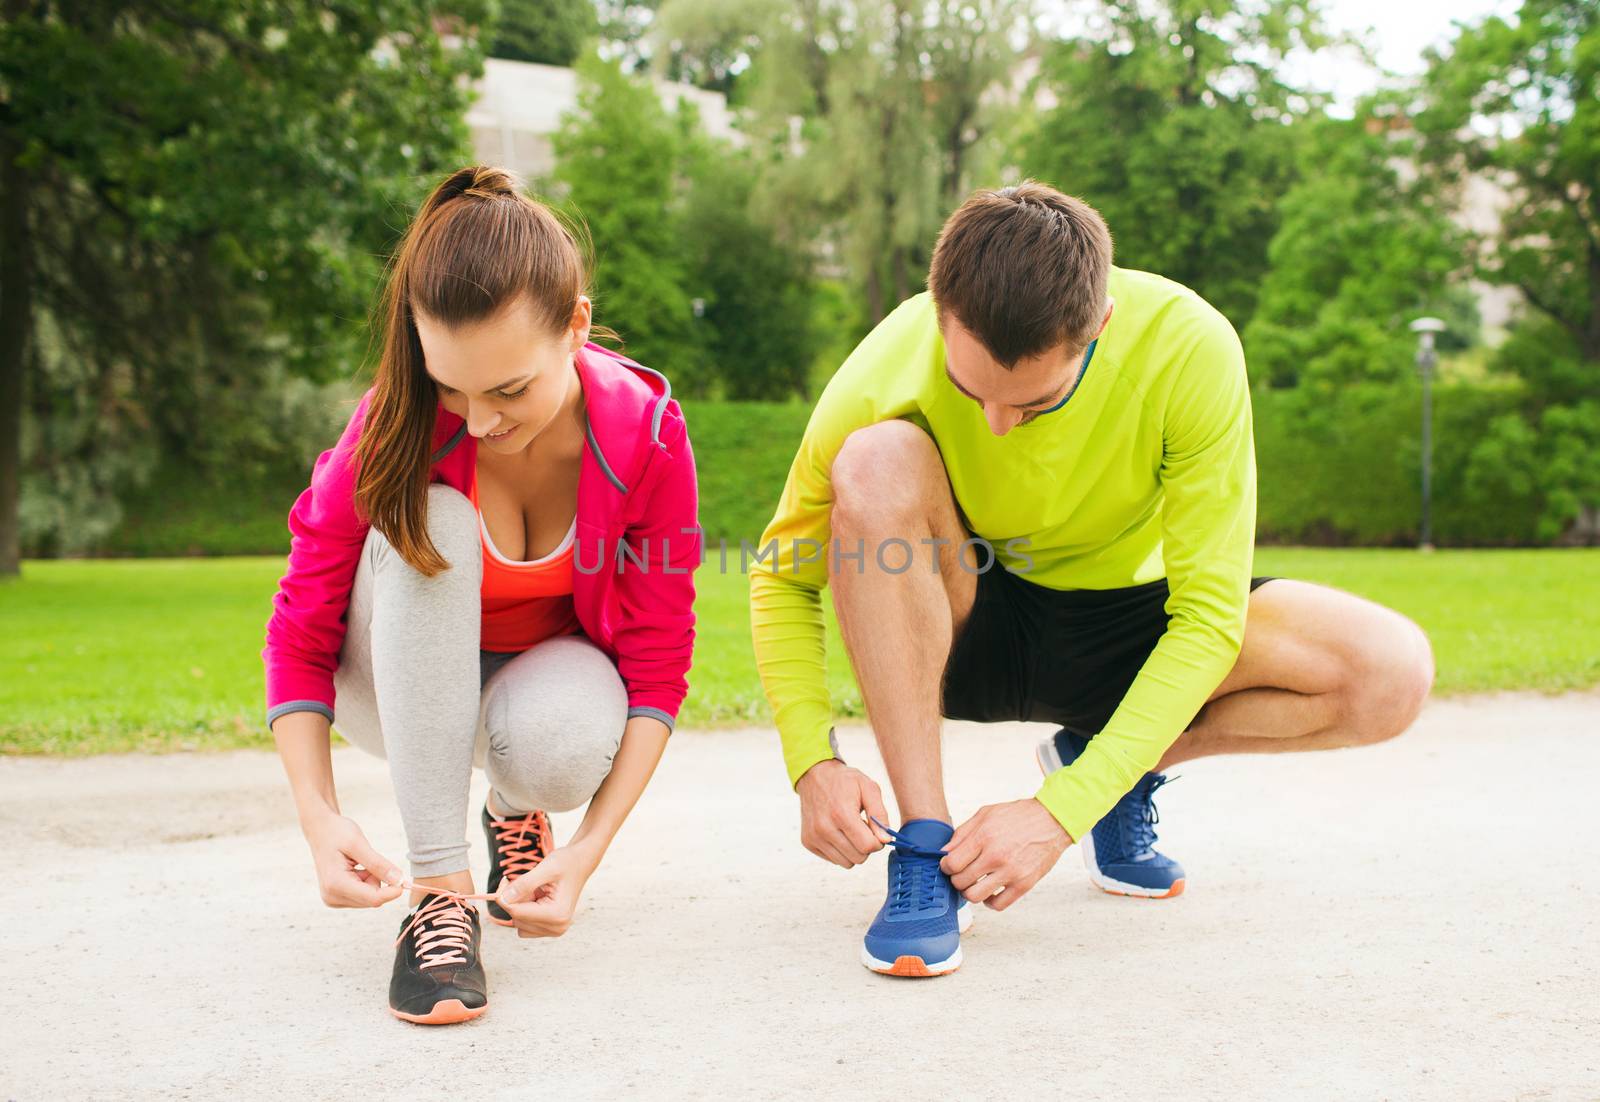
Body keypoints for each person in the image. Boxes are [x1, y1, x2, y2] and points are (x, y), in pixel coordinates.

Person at [749, 181, 1434, 977]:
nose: (999, 423)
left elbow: (1209, 618)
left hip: (1133, 626)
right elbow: (782, 577)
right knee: (873, 459)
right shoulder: (884, 362)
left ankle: (1109, 768)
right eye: (975, 394)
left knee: (1391, 672)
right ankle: (928, 847)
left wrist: (1065, 810)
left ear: (1099, 326)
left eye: (1034, 402)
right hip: (967, 618)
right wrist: (812, 760)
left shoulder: (1190, 348)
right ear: (938, 312)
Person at [263, 166, 699, 1022]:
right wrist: (318, 815)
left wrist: (589, 850)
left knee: (568, 740)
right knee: (439, 520)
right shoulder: (399, 419)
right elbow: (300, 628)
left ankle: (514, 810)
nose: (480, 419)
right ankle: (439, 892)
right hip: (387, 683)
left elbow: (656, 668)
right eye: (452, 386)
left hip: (515, 690)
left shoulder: (646, 437)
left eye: (508, 389)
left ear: (576, 327)